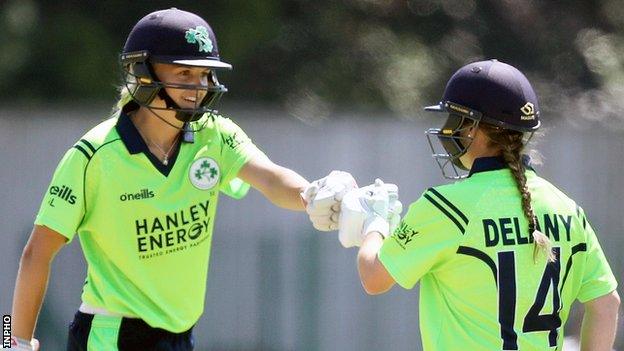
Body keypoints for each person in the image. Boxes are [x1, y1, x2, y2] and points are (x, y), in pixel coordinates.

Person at [9, 8, 356, 350]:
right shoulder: (94, 156)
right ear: (143, 73)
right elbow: (36, 253)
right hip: (113, 335)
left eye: (205, 75)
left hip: (179, 335)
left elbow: (270, 178)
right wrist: (15, 341)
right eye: (184, 74)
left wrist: (311, 193)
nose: (198, 88)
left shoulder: (213, 136)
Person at [340, 59, 620, 350]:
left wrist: (374, 223)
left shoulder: (445, 207)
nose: (447, 129)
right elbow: (606, 304)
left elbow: (373, 277)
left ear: (472, 127)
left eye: (452, 120)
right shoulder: (568, 209)